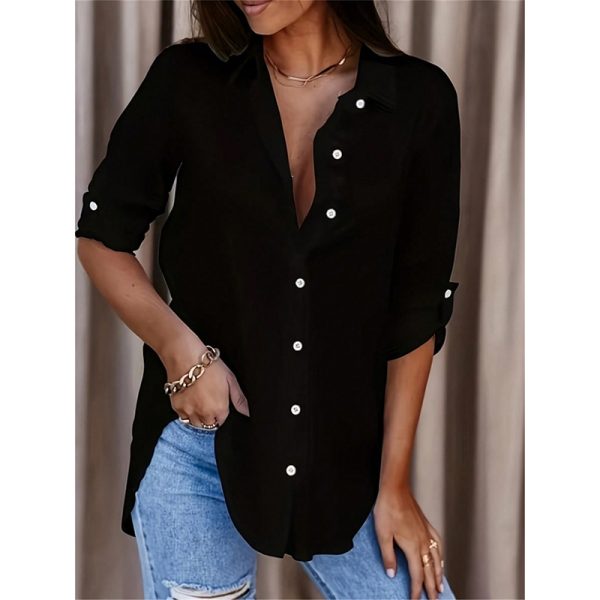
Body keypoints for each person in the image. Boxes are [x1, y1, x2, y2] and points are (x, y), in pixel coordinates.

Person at [75, 1, 462, 598]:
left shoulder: (418, 100)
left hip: (343, 460)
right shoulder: (190, 79)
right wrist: (182, 353)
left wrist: (394, 485)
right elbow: (102, 237)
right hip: (198, 441)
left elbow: (416, 309)